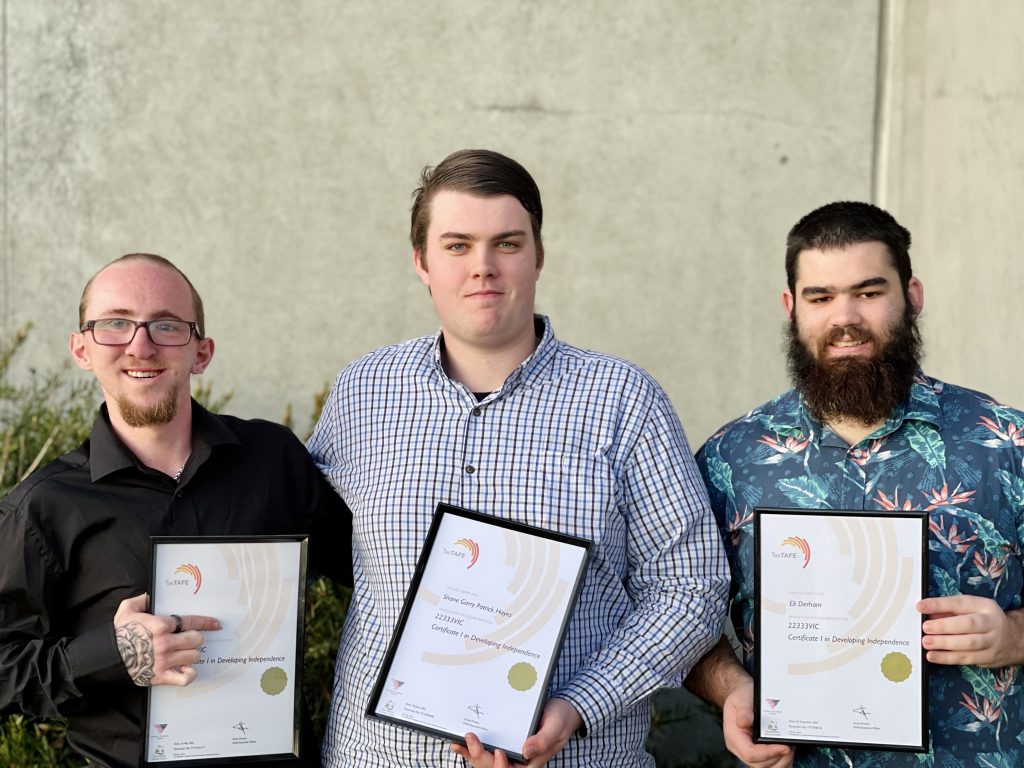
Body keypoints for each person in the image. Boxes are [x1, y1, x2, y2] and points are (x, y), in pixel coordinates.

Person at [307, 149, 729, 767]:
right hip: (380, 755)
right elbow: (307, 543)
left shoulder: (624, 401)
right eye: (457, 245)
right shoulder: (363, 392)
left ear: (537, 255)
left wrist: (581, 705)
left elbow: (690, 589)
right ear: (421, 262)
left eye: (506, 243)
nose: (483, 267)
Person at [684, 201, 1024, 767]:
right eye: (821, 297)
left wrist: (1014, 637)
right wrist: (730, 691)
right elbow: (677, 614)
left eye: (869, 292)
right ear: (791, 308)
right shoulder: (729, 460)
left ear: (911, 297)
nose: (846, 318)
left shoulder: (1007, 444)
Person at [0, 253, 352, 768]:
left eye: (166, 325)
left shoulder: (272, 460)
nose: (140, 345)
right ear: (81, 349)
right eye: (115, 324)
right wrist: (113, 654)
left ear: (201, 351)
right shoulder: (44, 508)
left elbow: (372, 572)